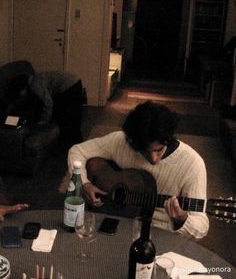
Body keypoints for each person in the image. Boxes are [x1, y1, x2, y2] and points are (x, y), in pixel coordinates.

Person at [67, 101, 209, 239]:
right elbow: (77, 151)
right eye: (145, 151)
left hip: (159, 234)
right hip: (113, 220)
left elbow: (201, 226)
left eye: (159, 150)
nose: (153, 159)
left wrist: (181, 220)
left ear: (169, 139)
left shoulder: (192, 164)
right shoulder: (120, 141)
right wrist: (84, 183)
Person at [5, 71, 84, 148]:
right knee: (73, 118)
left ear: (22, 87)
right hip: (75, 82)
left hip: (69, 88)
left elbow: (48, 103)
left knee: (68, 120)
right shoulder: (36, 78)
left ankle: (75, 147)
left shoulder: (34, 86)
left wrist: (44, 122)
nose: (21, 95)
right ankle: (76, 145)